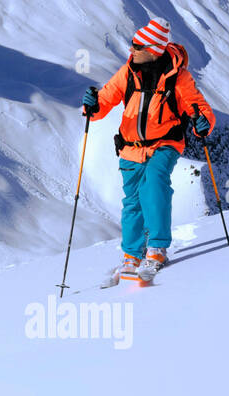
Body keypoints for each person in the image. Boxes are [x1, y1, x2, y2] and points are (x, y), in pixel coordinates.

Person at [81, 17, 216, 286]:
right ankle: (131, 254)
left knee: (154, 184)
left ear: (153, 49)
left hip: (165, 143)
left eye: (137, 46)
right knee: (132, 202)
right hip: (130, 147)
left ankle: (157, 249)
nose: (131, 49)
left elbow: (199, 108)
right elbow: (105, 100)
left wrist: (204, 123)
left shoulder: (179, 77)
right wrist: (92, 106)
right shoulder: (127, 72)